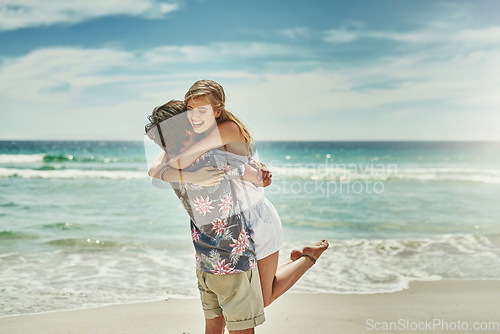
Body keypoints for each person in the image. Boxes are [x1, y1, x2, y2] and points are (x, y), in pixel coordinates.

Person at [148, 80, 329, 312]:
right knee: (255, 293)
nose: (194, 117)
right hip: (235, 221)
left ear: (217, 111)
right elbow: (154, 169)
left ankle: (307, 259)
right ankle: (296, 261)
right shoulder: (202, 131)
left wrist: (176, 170)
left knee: (261, 299)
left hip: (256, 218)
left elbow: (179, 161)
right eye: (190, 110)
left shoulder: (227, 129)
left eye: (202, 110)